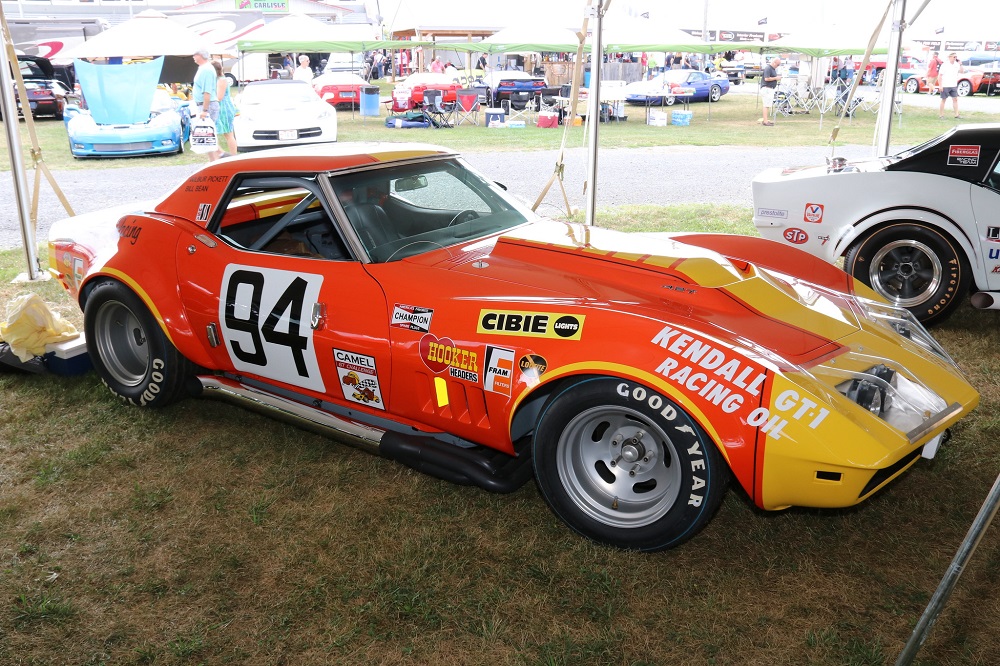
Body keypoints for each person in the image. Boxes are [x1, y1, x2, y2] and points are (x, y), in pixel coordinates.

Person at [192, 49, 222, 161]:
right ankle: (215, 160)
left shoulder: (207, 70)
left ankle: (216, 160)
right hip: (203, 105)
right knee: (207, 136)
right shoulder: (202, 69)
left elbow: (207, 92)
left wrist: (204, 110)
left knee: (208, 136)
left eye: (195, 54)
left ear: (201, 55)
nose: (193, 56)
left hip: (207, 106)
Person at [212, 60, 237, 156]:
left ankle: (233, 156)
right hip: (219, 107)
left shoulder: (221, 80)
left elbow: (219, 97)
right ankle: (219, 154)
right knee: (214, 133)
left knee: (228, 134)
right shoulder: (217, 79)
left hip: (223, 109)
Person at [938, 52, 965, 119]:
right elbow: (940, 75)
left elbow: (961, 71)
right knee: (944, 99)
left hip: (953, 84)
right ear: (949, 57)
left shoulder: (956, 65)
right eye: (954, 57)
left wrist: (961, 64)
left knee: (955, 99)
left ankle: (956, 114)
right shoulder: (945, 65)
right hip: (945, 84)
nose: (955, 58)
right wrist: (940, 85)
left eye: (956, 57)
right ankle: (941, 115)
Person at [760, 56, 781, 126]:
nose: (778, 66)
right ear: (774, 62)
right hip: (766, 88)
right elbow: (766, 78)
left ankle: (765, 120)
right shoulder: (768, 68)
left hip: (770, 89)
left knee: (767, 105)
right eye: (777, 65)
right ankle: (765, 121)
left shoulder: (773, 69)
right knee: (766, 105)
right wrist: (776, 78)